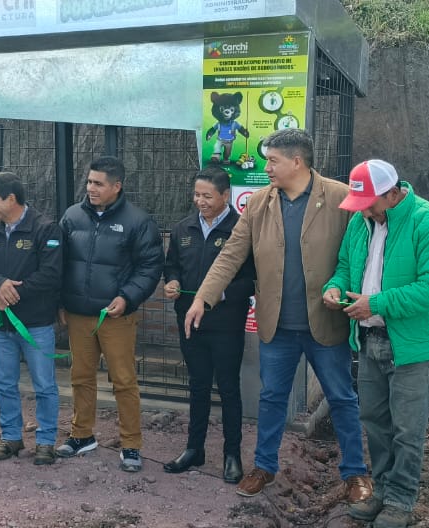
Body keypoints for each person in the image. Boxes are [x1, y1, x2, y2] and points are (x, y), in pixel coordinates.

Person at [185, 128, 368, 499]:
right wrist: (203, 297)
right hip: (277, 324)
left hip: (325, 322)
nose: (266, 167)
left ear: (296, 162)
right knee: (271, 399)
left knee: (342, 398)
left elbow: (358, 254)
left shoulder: (339, 197)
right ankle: (264, 468)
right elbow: (232, 254)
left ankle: (354, 474)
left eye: (272, 161)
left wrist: (351, 293)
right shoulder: (258, 203)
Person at [322, 159, 429, 528]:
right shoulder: (361, 222)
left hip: (412, 343)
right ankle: (382, 490)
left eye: (369, 204)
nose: (364, 211)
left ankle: (401, 499)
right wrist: (334, 287)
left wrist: (377, 304)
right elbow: (344, 265)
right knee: (375, 421)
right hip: (369, 338)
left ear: (392, 193)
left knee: (407, 427)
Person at [56, 156, 163, 472]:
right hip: (78, 314)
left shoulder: (138, 221)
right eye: (89, 182)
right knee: (80, 377)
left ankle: (131, 445)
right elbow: (58, 263)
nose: (91, 188)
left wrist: (127, 297)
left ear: (117, 186)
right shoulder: (72, 216)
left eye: (98, 183)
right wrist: (60, 302)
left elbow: (150, 267)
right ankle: (81, 435)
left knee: (123, 381)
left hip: (116, 317)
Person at [162, 166, 253, 483]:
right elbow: (172, 265)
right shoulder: (183, 228)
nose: (200, 201)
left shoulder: (240, 229)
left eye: (207, 196)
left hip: (226, 322)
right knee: (198, 385)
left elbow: (251, 280)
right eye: (197, 195)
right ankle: (194, 448)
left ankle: (232, 454)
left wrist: (218, 294)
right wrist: (172, 282)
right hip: (190, 320)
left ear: (225, 195)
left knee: (228, 388)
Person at [0, 171, 63, 466]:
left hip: (36, 324)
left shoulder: (46, 228)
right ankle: (10, 437)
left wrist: (11, 294)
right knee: (4, 383)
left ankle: (46, 442)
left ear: (11, 199)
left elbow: (51, 274)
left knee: (44, 385)